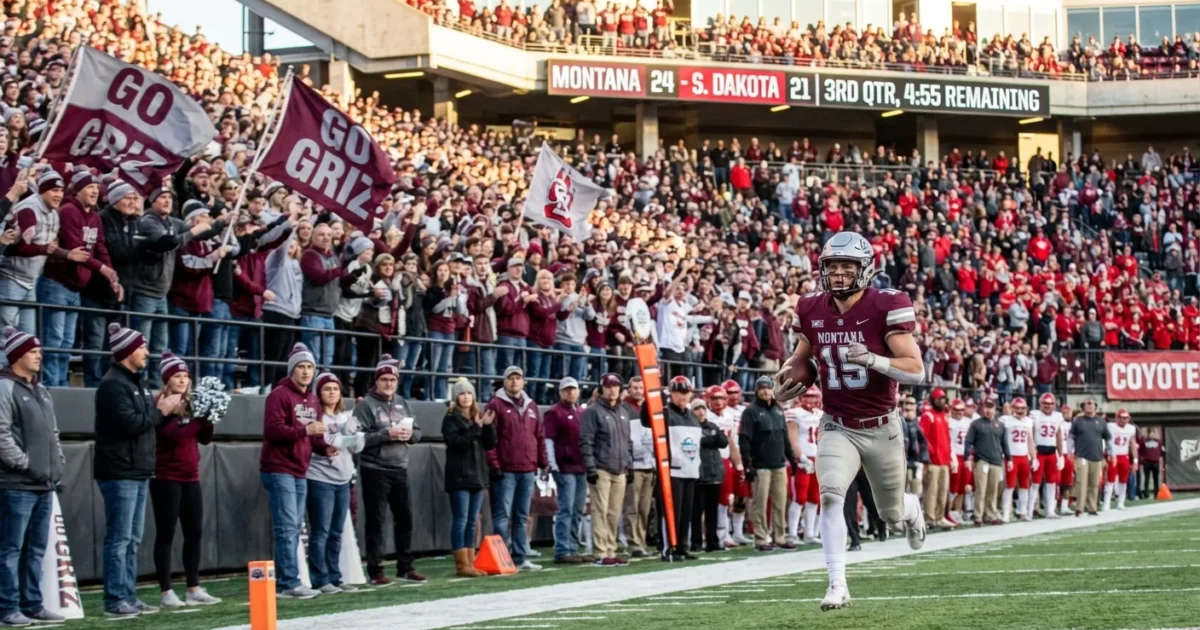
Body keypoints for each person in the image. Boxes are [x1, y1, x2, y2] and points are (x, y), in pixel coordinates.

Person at [772, 231, 927, 611]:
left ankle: (912, 510)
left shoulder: (887, 304)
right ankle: (837, 583)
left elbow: (916, 370)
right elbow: (802, 358)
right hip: (837, 423)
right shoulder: (810, 307)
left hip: (881, 425)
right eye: (832, 267)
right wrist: (784, 381)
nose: (838, 274)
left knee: (888, 513)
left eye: (846, 267)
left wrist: (872, 359)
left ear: (864, 269)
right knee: (830, 496)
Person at [94, 322, 176, 617]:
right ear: (127, 351)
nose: (147, 352)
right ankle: (115, 599)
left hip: (138, 469)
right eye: (142, 347)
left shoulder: (136, 382)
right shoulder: (113, 385)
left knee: (132, 539)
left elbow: (147, 424)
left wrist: (167, 415)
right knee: (119, 538)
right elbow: (131, 423)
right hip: (120, 472)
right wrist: (162, 410)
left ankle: (128, 594)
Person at [0, 326, 66, 626]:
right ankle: (7, 607)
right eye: (33, 352)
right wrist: (25, 464)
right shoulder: (5, 387)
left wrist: (58, 464)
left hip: (44, 482)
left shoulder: (41, 389)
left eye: (40, 351)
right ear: (16, 356)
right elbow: (1, 434)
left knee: (36, 550)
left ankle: (32, 604)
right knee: (11, 549)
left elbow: (53, 433)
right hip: (16, 484)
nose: (39, 356)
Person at [150, 353, 221, 608]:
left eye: (185, 376)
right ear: (167, 379)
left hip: (191, 476)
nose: (182, 380)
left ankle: (193, 587)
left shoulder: (192, 404)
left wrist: (211, 416)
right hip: (166, 476)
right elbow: (175, 436)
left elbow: (204, 439)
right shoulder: (161, 404)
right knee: (166, 534)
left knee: (194, 532)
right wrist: (201, 419)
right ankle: (166, 591)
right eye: (177, 376)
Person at [260, 343, 330, 599]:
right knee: (288, 526)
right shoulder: (279, 395)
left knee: (294, 525)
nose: (305, 371)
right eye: (301, 366)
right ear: (291, 370)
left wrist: (325, 448)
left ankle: (289, 580)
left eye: (310, 367)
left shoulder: (313, 399)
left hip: (300, 468)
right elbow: (272, 430)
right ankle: (288, 583)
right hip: (279, 467)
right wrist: (305, 431)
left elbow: (314, 435)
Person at [354, 355, 425, 584]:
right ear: (376, 381)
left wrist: (409, 435)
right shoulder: (365, 405)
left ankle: (405, 567)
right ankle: (375, 571)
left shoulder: (402, 402)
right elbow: (357, 439)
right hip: (374, 468)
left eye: (392, 380)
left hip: (399, 467)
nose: (388, 384)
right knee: (376, 521)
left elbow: (418, 431)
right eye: (384, 379)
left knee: (405, 519)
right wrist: (387, 435)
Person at [484, 366, 548, 571]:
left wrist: (543, 461)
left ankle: (521, 557)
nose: (514, 382)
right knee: (502, 515)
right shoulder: (495, 404)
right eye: (510, 378)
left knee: (521, 515)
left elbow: (539, 436)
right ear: (504, 382)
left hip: (527, 468)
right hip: (506, 469)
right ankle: (501, 557)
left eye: (518, 378)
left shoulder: (531, 405)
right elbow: (489, 439)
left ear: (523, 382)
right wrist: (494, 464)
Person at [306, 372, 364, 594]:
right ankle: (320, 578)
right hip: (320, 478)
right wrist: (341, 434)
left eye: (335, 389)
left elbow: (356, 448)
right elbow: (319, 445)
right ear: (319, 393)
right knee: (321, 530)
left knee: (336, 531)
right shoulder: (315, 417)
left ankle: (335, 576)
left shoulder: (345, 416)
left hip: (343, 478)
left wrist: (356, 434)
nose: (331, 392)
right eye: (327, 388)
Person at [640, 375, 700, 562]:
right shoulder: (665, 413)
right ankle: (668, 547)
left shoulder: (691, 416)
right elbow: (646, 420)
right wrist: (650, 399)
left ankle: (682, 546)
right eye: (678, 392)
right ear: (671, 394)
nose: (682, 396)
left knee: (686, 513)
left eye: (685, 392)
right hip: (671, 471)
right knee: (670, 511)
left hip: (690, 470)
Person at [0, 171, 63, 337]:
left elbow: (50, 246)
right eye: (54, 190)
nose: (59, 195)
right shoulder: (28, 209)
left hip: (31, 281)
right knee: (6, 335)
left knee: (28, 337)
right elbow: (15, 248)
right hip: (11, 279)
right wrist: (44, 249)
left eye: (61, 190)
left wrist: (61, 253)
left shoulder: (55, 214)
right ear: (42, 190)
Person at [441, 379, 493, 578]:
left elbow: (489, 444)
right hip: (460, 477)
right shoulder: (450, 419)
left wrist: (487, 427)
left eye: (469, 393)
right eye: (461, 393)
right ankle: (461, 564)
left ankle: (470, 562)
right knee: (461, 520)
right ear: (455, 397)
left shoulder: (475, 419)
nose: (465, 397)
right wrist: (476, 429)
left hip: (477, 476)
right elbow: (457, 444)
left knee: (472, 521)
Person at [580, 372, 632, 566]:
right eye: (608, 386)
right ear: (601, 389)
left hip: (620, 469)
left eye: (615, 386)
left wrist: (630, 465)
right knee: (600, 510)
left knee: (614, 512)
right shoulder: (592, 412)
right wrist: (591, 468)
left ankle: (610, 548)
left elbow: (628, 442)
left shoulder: (623, 412)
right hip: (601, 467)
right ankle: (601, 551)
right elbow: (586, 441)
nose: (612, 390)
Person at [738, 376, 794, 552]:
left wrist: (791, 458)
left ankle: (780, 537)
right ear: (756, 390)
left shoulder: (778, 410)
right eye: (761, 388)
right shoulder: (750, 411)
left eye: (768, 388)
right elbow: (744, 439)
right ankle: (761, 538)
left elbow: (785, 437)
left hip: (778, 464)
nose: (765, 391)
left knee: (780, 503)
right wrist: (748, 465)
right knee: (760, 504)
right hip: (760, 465)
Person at [542, 377, 587, 564]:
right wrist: (553, 465)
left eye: (573, 389)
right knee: (565, 509)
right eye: (566, 389)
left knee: (577, 510)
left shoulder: (582, 413)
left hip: (581, 467)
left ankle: (573, 548)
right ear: (560, 392)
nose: (570, 392)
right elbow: (549, 440)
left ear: (578, 391)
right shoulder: (554, 413)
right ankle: (562, 549)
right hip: (565, 467)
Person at [964, 396, 1009, 526]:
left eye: (991, 407)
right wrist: (967, 457)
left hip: (996, 460)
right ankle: (978, 516)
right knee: (981, 489)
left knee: (993, 490)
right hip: (982, 459)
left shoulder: (1000, 425)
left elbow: (1004, 443)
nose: (988, 410)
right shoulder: (976, 424)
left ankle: (990, 514)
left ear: (995, 409)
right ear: (982, 409)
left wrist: (1009, 458)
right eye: (986, 407)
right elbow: (968, 442)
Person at [621, 377, 654, 557]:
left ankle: (641, 540)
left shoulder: (650, 407)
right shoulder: (624, 408)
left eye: (641, 387)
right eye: (635, 388)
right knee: (631, 507)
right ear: (629, 389)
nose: (638, 391)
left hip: (650, 464)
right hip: (634, 464)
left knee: (644, 508)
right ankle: (633, 542)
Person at [690, 397, 727, 553]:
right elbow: (700, 441)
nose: (701, 412)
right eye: (697, 409)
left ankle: (713, 540)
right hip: (698, 475)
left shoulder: (713, 426)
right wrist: (710, 438)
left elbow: (723, 441)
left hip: (713, 474)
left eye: (703, 408)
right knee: (696, 512)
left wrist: (711, 437)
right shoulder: (690, 427)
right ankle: (696, 542)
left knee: (712, 511)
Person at [785, 388, 821, 544]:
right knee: (799, 497)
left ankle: (809, 533)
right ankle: (792, 534)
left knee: (814, 498)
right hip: (801, 460)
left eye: (813, 396)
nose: (810, 399)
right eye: (807, 396)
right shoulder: (794, 413)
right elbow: (791, 439)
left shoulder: (820, 414)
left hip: (817, 458)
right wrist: (801, 457)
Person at [918, 389, 955, 528]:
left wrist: (950, 456)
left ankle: (940, 517)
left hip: (944, 460)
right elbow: (923, 437)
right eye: (939, 399)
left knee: (942, 490)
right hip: (933, 460)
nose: (942, 401)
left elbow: (947, 438)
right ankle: (929, 517)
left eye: (943, 398)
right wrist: (929, 455)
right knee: (931, 491)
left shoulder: (944, 415)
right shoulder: (928, 415)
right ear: (933, 400)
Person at [1070, 399, 1111, 516]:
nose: (1088, 406)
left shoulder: (1101, 421)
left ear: (1095, 406)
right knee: (1081, 482)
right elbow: (1071, 436)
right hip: (1082, 455)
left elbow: (1107, 438)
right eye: (1086, 404)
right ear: (1083, 407)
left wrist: (1110, 452)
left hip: (1097, 456)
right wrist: (1069, 450)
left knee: (1094, 484)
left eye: (1090, 403)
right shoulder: (1078, 421)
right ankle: (1080, 507)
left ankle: (1092, 507)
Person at [1029, 392, 1065, 519]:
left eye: (1050, 404)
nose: (1048, 406)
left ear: (1055, 405)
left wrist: (1061, 455)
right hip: (1039, 452)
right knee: (1035, 483)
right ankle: (1029, 511)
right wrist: (1032, 455)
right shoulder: (1035, 415)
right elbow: (1031, 435)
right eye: (1045, 403)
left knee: (1051, 482)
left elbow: (1058, 436)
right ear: (1040, 404)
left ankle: (1050, 510)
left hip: (1051, 453)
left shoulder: (1058, 416)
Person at [1000, 397, 1034, 522]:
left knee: (1025, 485)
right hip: (1011, 456)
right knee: (1009, 485)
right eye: (1017, 408)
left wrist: (1034, 456)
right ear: (1012, 408)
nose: (1020, 410)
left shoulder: (1029, 421)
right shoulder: (1006, 420)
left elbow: (1030, 440)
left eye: (1023, 408)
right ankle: (1006, 513)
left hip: (1024, 456)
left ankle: (1023, 511)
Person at [1103, 409, 1138, 511]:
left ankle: (1121, 502)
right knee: (1110, 480)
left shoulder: (1131, 429)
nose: (1124, 420)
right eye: (1122, 418)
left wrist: (1135, 460)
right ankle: (1107, 503)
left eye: (1126, 418)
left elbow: (1133, 445)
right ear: (1117, 418)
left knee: (1123, 480)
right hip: (1113, 456)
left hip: (1124, 456)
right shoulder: (1110, 426)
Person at [1138, 427, 1162, 500]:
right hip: (1147, 462)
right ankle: (1146, 493)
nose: (1152, 434)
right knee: (1147, 479)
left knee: (1156, 479)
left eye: (1153, 433)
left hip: (1155, 463)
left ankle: (1156, 494)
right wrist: (1142, 460)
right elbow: (1141, 451)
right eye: (1150, 433)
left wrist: (1159, 461)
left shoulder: (1158, 441)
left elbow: (1160, 452)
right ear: (1148, 434)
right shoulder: (1144, 441)